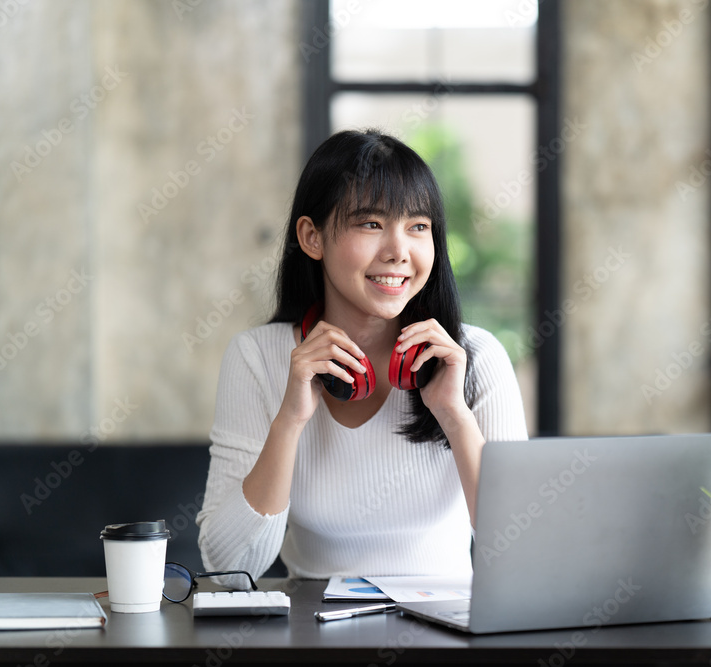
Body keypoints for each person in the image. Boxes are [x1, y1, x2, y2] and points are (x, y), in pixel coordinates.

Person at [196, 129, 528, 582]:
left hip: (449, 641)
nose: (398, 252)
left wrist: (453, 414)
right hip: (313, 641)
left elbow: (523, 549)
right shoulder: (257, 358)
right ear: (312, 237)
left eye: (418, 227)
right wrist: (290, 420)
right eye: (371, 224)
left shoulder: (478, 357)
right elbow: (229, 570)